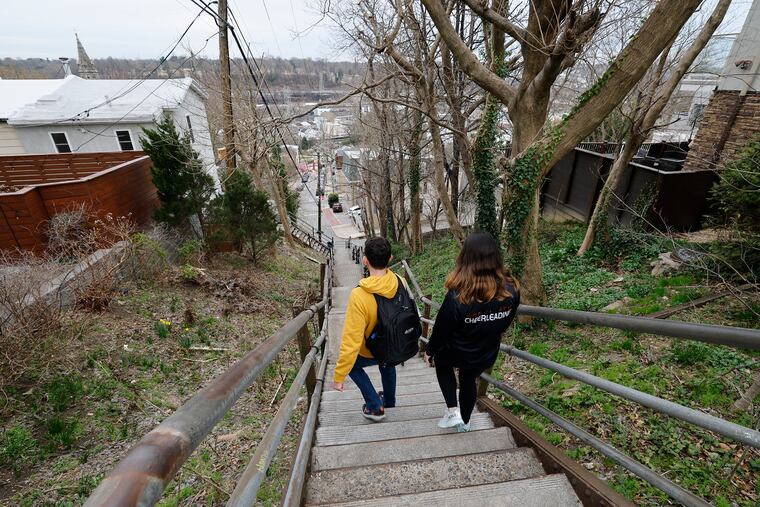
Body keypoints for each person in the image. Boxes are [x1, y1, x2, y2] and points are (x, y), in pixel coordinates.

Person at [424, 231, 520, 432]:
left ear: (466, 257)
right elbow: (506, 321)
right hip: (484, 351)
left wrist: (430, 350)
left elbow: (442, 328)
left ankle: (453, 412)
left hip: (456, 350)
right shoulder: (512, 289)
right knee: (468, 379)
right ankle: (466, 422)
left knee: (442, 363)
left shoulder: (458, 295)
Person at [332, 237, 410, 421]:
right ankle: (389, 401)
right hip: (396, 345)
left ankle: (375, 407)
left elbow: (352, 340)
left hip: (371, 350)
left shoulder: (359, 295)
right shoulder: (400, 282)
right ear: (390, 258)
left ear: (365, 260)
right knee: (387, 362)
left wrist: (339, 375)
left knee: (352, 364)